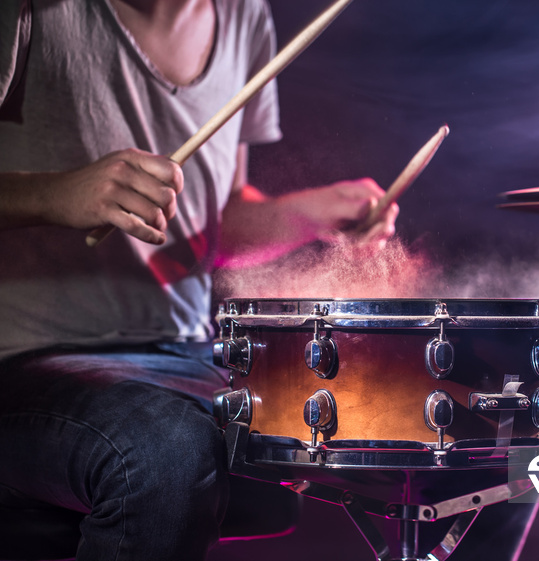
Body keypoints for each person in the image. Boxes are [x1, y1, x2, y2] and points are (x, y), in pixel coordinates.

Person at [0, 0, 398, 559]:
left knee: (483, 425)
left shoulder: (243, 17)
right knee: (167, 450)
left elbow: (213, 225)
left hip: (188, 355)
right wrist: (56, 193)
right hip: (26, 357)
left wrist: (310, 213)